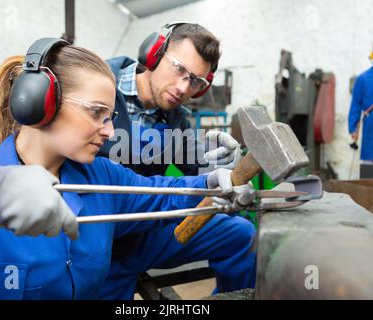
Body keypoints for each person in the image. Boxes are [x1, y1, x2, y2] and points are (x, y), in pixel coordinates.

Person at [0, 38, 240, 299]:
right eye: (97, 113)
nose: (109, 131)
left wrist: (211, 181)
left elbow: (161, 193)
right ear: (40, 102)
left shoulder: (103, 177)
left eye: (110, 117)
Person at [97, 23, 257, 299]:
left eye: (196, 81)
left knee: (241, 234)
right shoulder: (99, 85)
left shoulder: (176, 117)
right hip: (101, 235)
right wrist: (148, 143)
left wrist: (223, 164)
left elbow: (199, 167)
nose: (184, 87)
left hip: (147, 230)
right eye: (180, 69)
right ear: (154, 54)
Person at [349, 39, 373, 161]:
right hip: (372, 130)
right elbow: (355, 105)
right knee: (371, 173)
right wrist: (353, 128)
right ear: (372, 53)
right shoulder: (363, 78)